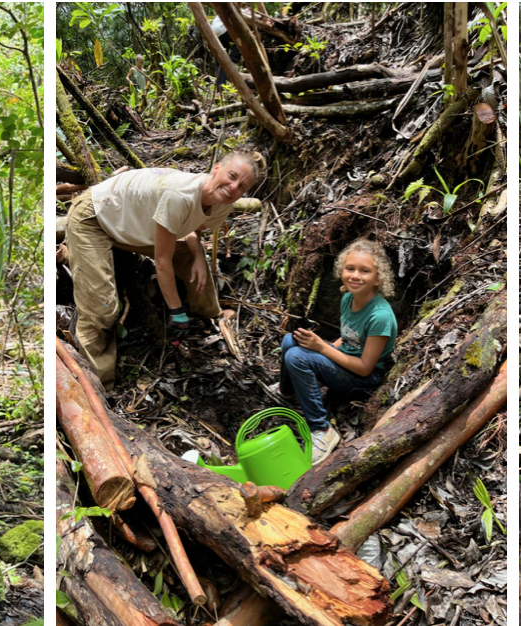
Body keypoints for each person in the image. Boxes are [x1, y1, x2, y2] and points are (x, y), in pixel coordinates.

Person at [64, 152, 265, 384]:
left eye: (242, 186)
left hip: (132, 222)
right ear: (217, 168)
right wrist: (176, 312)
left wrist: (198, 254)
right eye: (231, 176)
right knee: (101, 307)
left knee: (190, 256)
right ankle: (98, 387)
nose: (233, 187)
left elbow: (195, 226)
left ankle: (207, 317)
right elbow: (162, 261)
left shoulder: (222, 204)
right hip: (93, 218)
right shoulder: (179, 195)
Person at [273, 240, 397, 462]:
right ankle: (288, 391)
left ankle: (322, 430)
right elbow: (348, 337)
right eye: (350, 269)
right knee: (290, 342)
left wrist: (321, 348)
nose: (355, 276)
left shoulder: (380, 317)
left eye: (365, 271)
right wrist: (323, 347)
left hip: (363, 380)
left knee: (296, 357)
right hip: (345, 362)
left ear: (378, 278)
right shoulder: (348, 298)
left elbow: (365, 368)